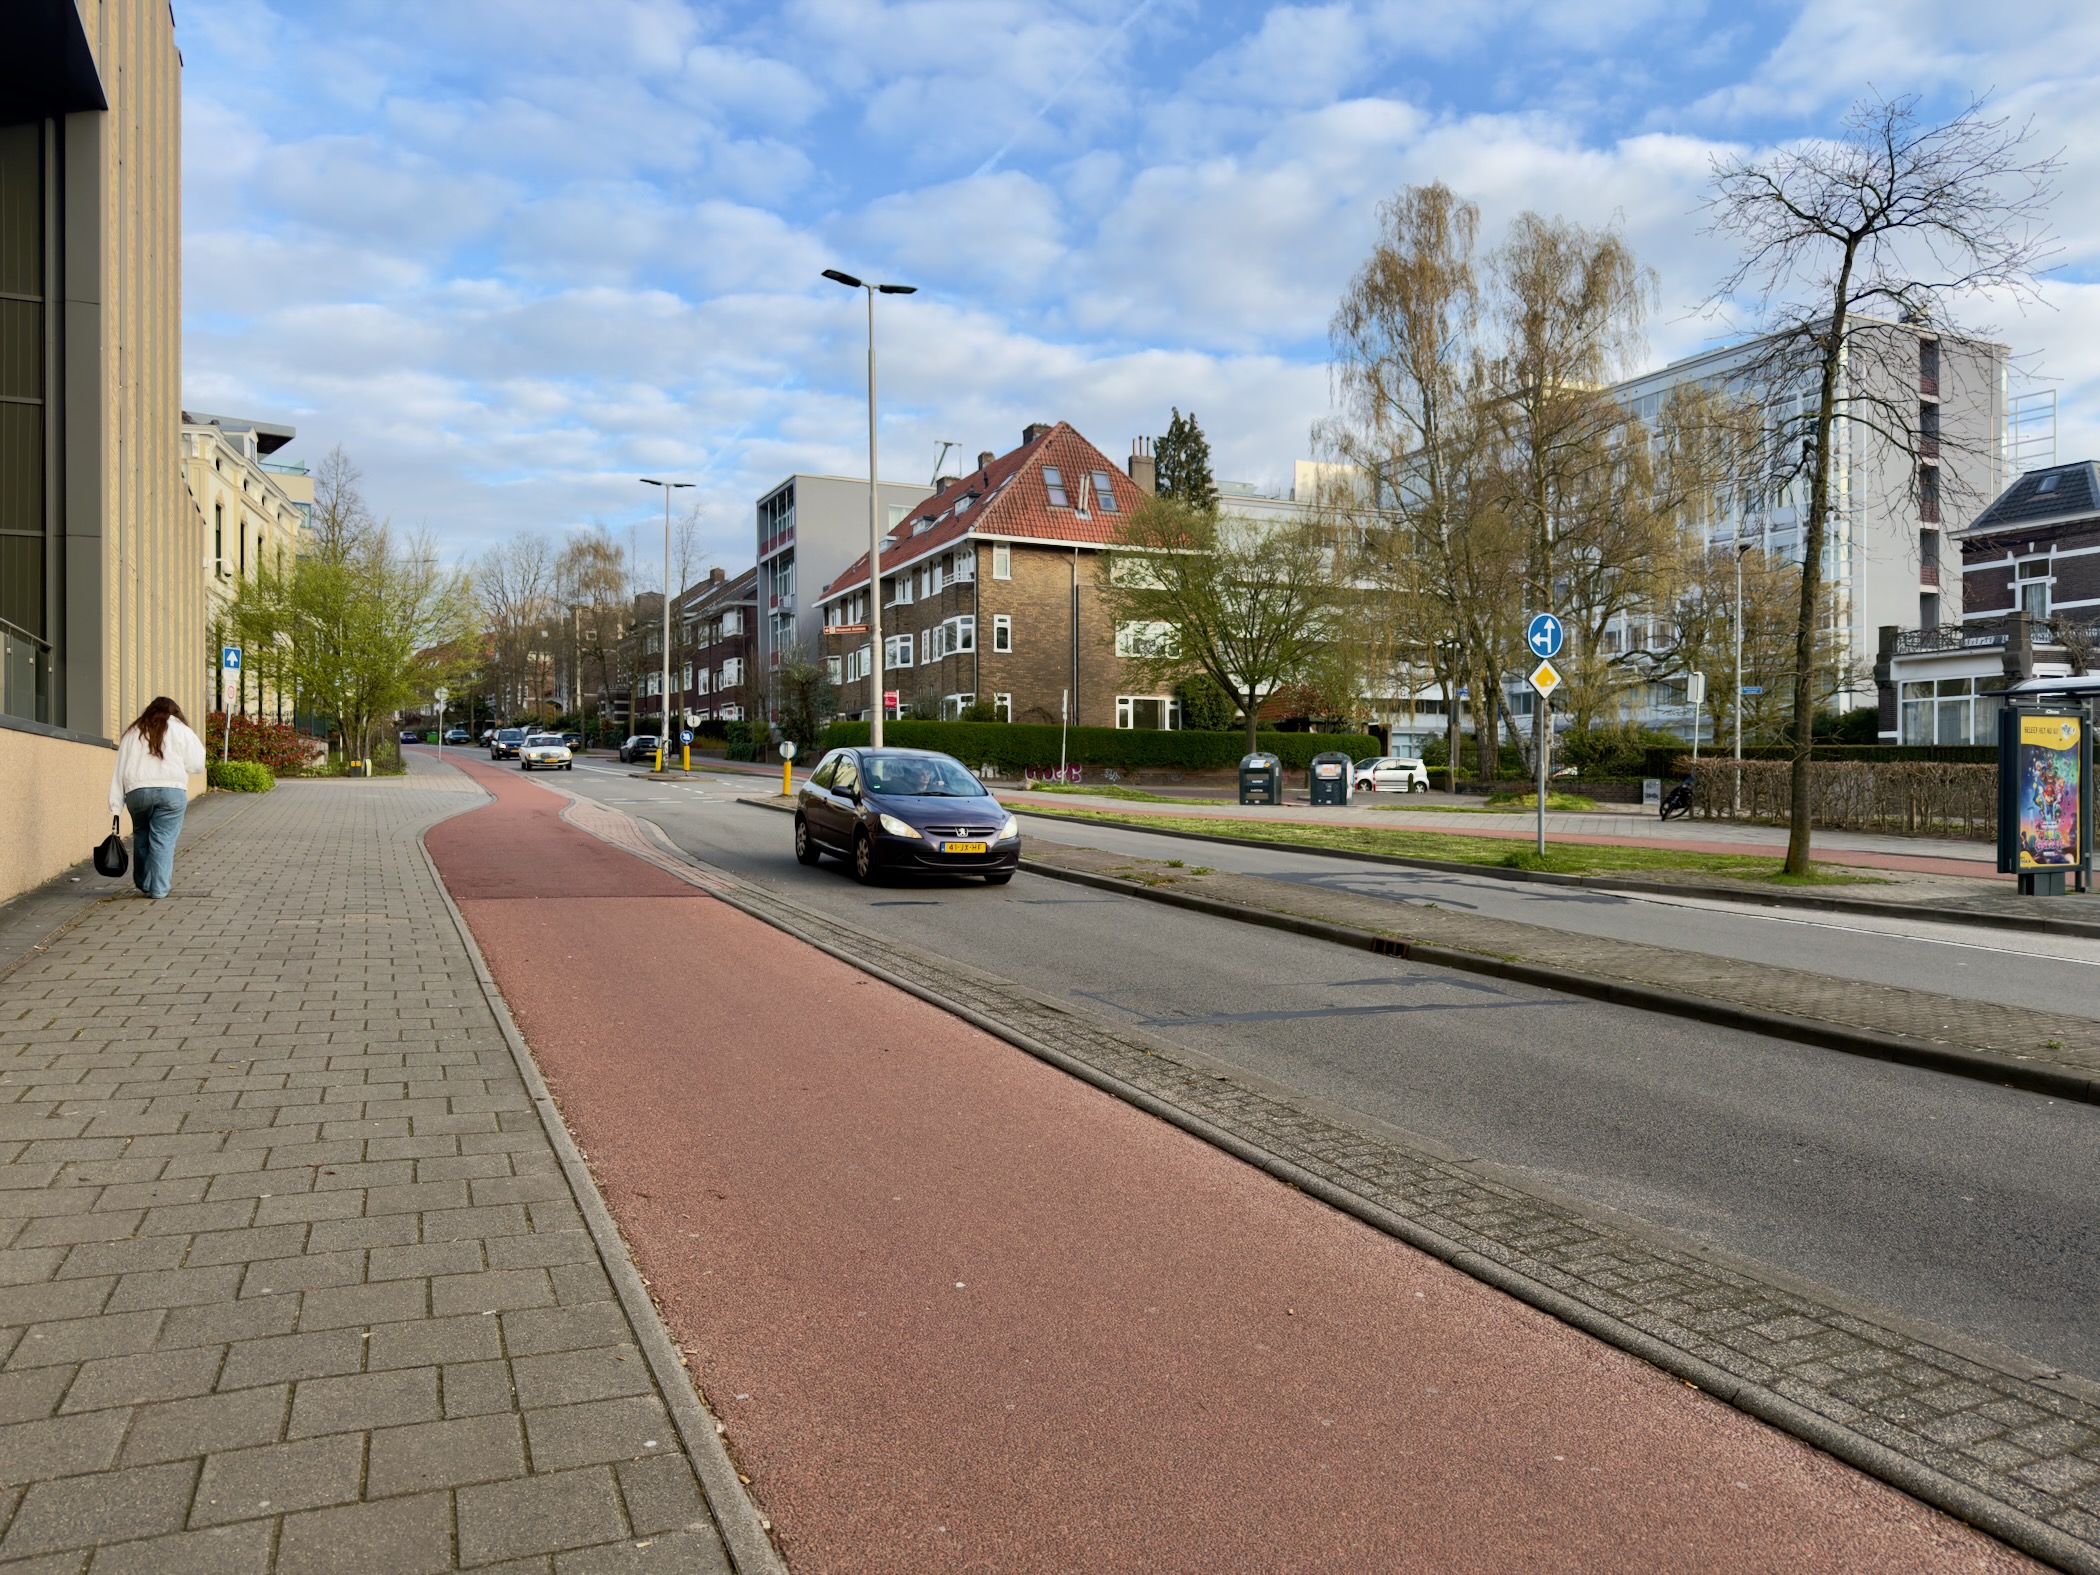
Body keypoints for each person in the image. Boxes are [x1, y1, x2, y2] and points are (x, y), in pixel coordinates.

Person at [108, 696, 207, 899]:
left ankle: (144, 882)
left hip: (138, 791)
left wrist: (115, 805)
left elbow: (120, 770)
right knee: (163, 839)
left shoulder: (133, 732)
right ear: (175, 712)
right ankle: (159, 889)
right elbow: (197, 764)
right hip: (172, 791)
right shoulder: (181, 731)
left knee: (142, 835)